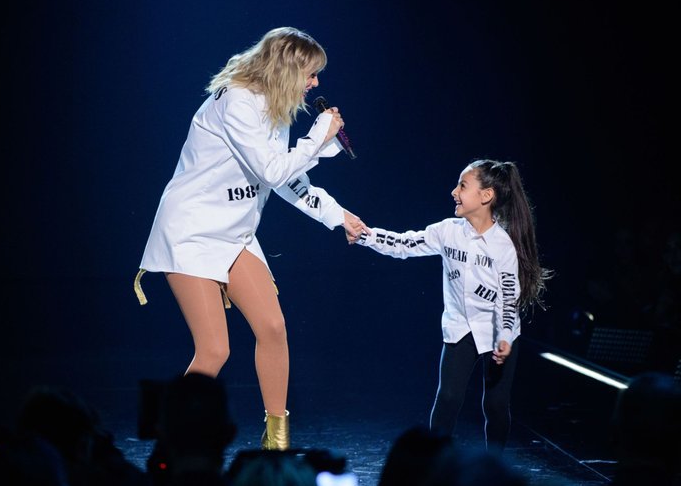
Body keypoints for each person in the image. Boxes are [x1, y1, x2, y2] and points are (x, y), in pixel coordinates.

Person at [134, 27, 368, 450]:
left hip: (235, 232)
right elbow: (273, 171)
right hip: (191, 230)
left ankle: (276, 442)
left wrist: (338, 217)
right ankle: (169, 438)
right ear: (287, 68)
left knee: (273, 327)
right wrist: (320, 136)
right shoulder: (237, 100)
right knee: (214, 350)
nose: (315, 84)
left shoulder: (275, 110)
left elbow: (286, 180)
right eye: (311, 74)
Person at [348, 159, 552, 453]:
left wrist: (505, 337)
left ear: (486, 196)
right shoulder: (448, 231)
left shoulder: (503, 246)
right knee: (448, 398)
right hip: (459, 328)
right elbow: (406, 244)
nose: (454, 191)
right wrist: (368, 235)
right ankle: (433, 463)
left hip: (497, 332)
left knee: (495, 404)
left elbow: (509, 299)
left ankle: (493, 465)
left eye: (463, 186)